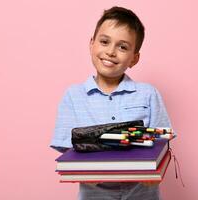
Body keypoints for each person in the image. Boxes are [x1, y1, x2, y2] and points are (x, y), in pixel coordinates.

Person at [50, 6, 173, 200]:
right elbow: (67, 146)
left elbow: (161, 139)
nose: (111, 52)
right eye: (104, 42)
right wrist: (83, 170)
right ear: (91, 44)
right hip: (93, 194)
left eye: (122, 47)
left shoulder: (148, 94)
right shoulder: (73, 96)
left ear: (134, 58)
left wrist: (155, 170)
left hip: (141, 192)